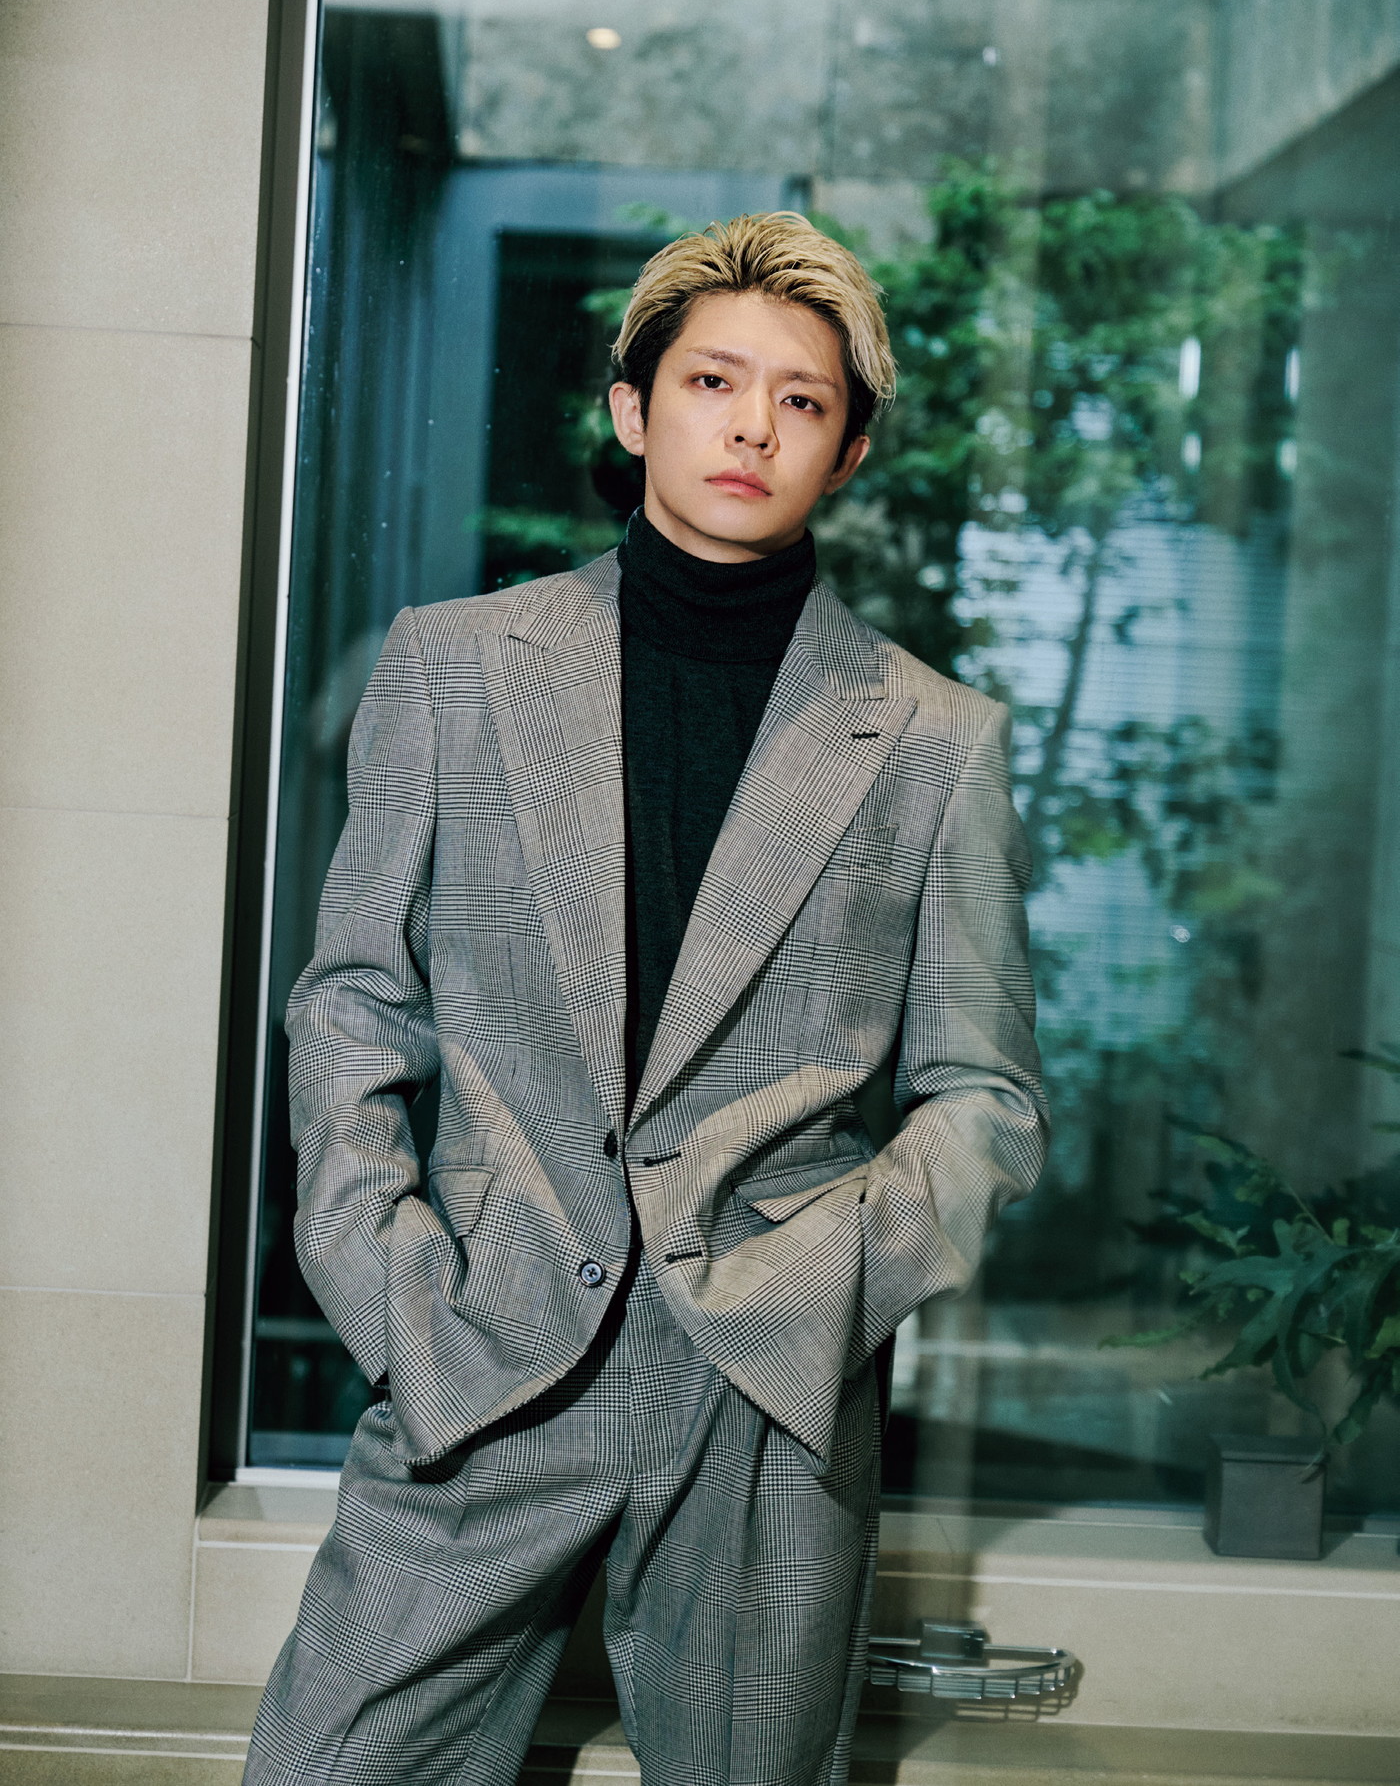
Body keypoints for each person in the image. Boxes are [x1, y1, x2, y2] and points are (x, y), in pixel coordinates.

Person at [243, 213, 1048, 1786]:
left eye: (802, 401)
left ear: (849, 449)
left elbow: (987, 1097)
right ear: (633, 408)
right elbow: (352, 1009)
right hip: (483, 1347)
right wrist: (397, 1297)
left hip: (766, 1386)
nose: (753, 427)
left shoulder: (936, 740)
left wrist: (832, 1285)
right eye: (712, 381)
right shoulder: (453, 666)